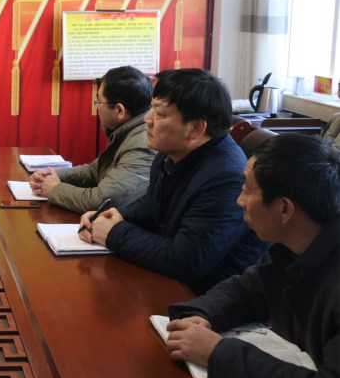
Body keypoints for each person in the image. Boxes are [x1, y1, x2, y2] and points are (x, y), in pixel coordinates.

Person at [165, 134, 339, 378]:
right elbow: (248, 290)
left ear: (284, 209)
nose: (239, 201)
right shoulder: (293, 244)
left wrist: (217, 352)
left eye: (247, 190)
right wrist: (203, 314)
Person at [79, 68, 266, 293]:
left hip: (206, 297)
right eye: (151, 108)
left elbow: (185, 260)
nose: (147, 119)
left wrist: (113, 232)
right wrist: (116, 215)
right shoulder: (171, 152)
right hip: (167, 281)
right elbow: (152, 203)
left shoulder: (226, 178)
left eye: (159, 113)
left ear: (196, 128)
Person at [29, 66, 156, 212]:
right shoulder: (128, 131)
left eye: (98, 101)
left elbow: (102, 201)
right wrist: (53, 174)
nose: (96, 106)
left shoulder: (143, 145)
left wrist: (55, 189)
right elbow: (94, 171)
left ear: (119, 110)